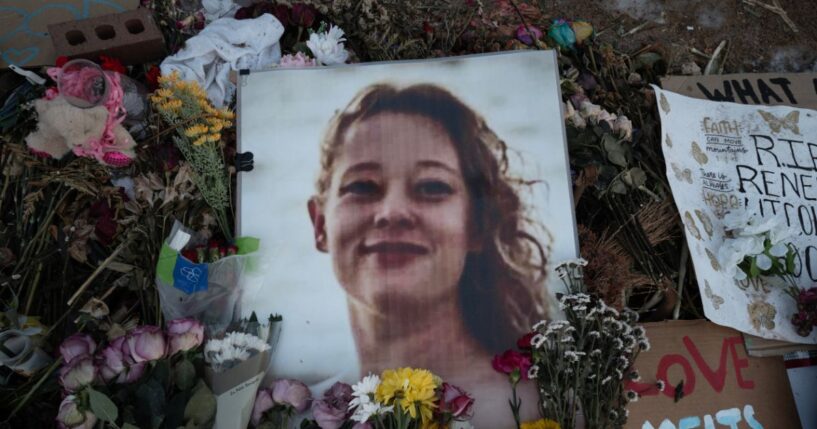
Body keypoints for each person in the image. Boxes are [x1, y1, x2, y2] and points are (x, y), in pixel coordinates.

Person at [307, 83, 551, 427]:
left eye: (432, 186)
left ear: (478, 224)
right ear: (320, 225)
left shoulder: (540, 408)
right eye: (362, 186)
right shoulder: (292, 409)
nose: (392, 211)